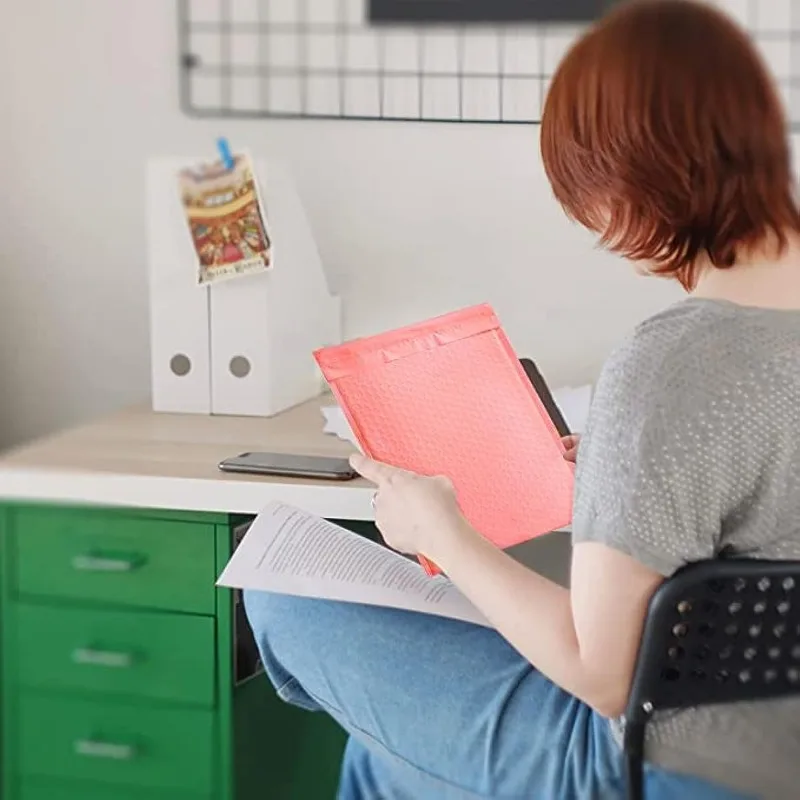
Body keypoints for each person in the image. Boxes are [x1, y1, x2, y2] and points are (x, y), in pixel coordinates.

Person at [244, 1, 800, 797]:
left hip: (658, 765)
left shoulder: (671, 362)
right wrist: (618, 485)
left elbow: (600, 677)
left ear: (637, 176)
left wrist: (446, 532)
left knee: (280, 593)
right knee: (380, 760)